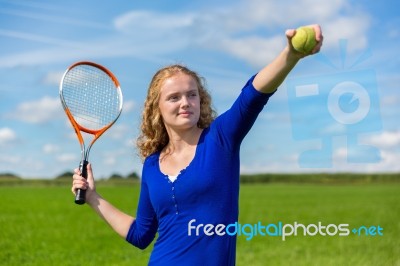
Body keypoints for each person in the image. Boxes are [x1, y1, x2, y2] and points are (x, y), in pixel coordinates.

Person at [72, 25, 323, 265]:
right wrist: (93, 197)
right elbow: (141, 234)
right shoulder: (151, 165)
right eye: (174, 97)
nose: (185, 102)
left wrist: (290, 55)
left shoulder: (220, 139)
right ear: (156, 108)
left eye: (192, 94)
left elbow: (252, 95)